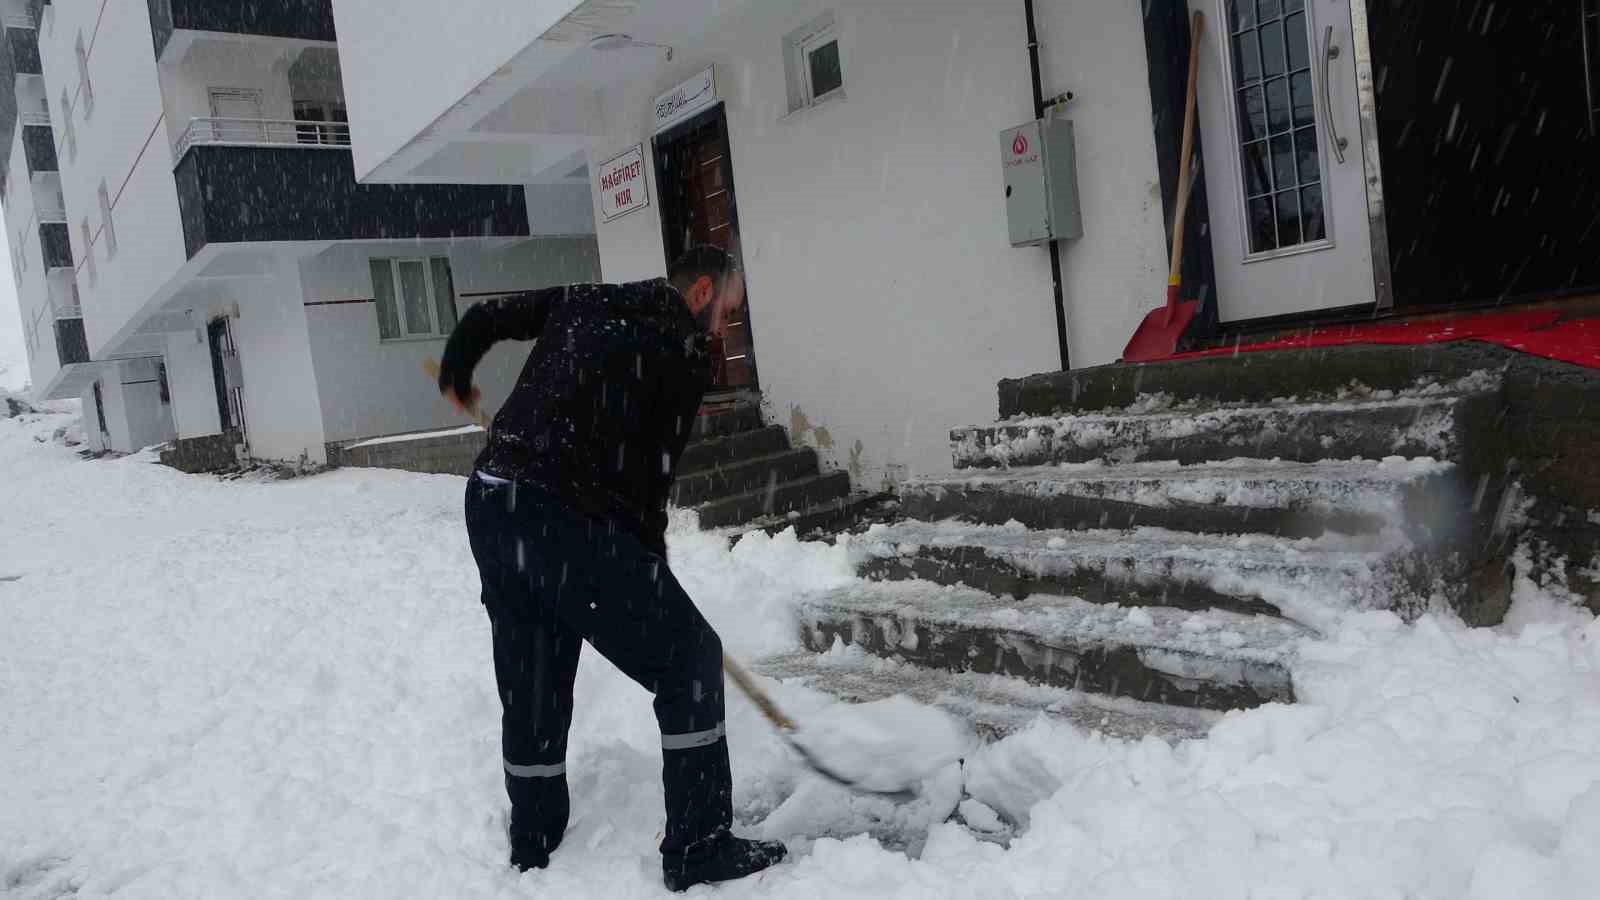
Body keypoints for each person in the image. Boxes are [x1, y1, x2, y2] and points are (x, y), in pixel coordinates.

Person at [435, 247, 787, 891]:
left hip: (492, 500)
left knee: (533, 660)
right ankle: (698, 847)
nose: (724, 329)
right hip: (563, 516)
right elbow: (648, 488)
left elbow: (489, 317)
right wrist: (654, 574)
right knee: (688, 660)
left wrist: (457, 371)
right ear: (702, 291)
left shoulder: (587, 298)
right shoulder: (680, 350)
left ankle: (535, 831)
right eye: (726, 313)